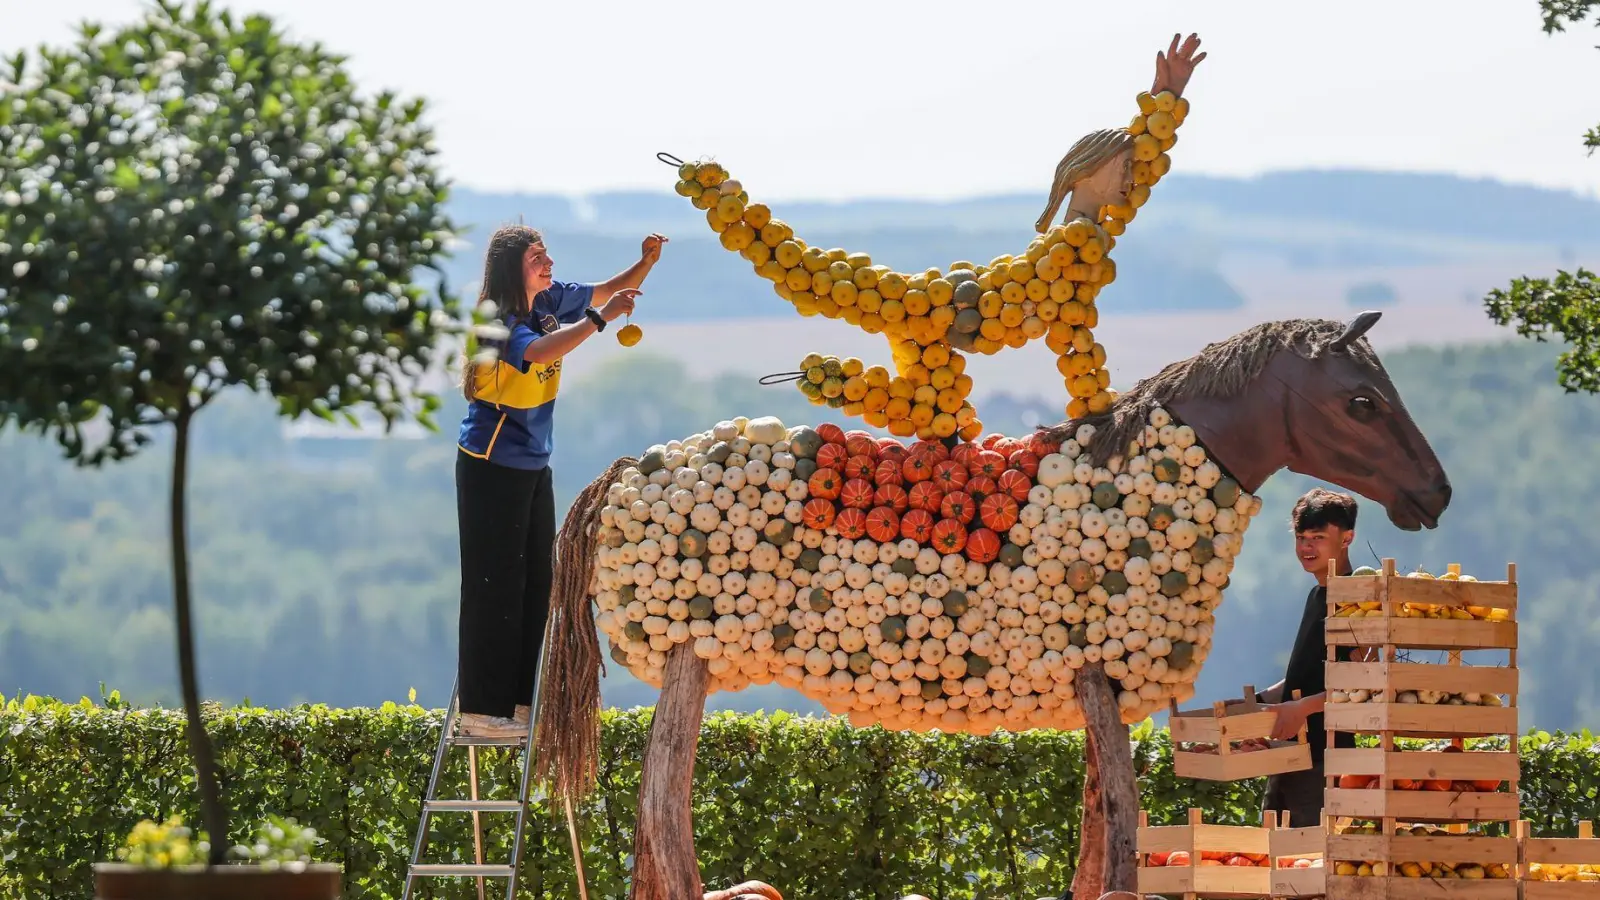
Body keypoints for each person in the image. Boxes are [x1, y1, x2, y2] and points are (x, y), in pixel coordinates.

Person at [453, 224, 668, 738]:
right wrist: (599, 319)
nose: (547, 263)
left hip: (531, 463)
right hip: (490, 465)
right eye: (536, 257)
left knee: (536, 585)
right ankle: (482, 711)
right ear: (512, 268)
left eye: (547, 254)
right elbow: (540, 352)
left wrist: (646, 264)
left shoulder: (547, 299)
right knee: (493, 586)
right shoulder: (496, 320)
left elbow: (600, 292)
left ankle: (518, 705)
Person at [1256, 488, 1371, 830]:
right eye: (1301, 537)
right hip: (1288, 757)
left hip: (1326, 761)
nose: (1307, 547)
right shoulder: (1319, 594)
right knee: (1273, 863)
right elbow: (1309, 673)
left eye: (1318, 537)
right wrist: (1260, 701)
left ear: (1347, 537)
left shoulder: (1361, 602)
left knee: (1312, 866)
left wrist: (1303, 709)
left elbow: (1363, 686)